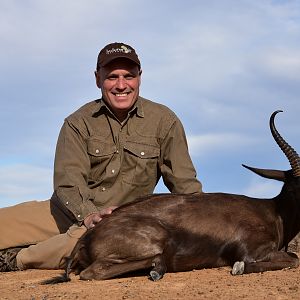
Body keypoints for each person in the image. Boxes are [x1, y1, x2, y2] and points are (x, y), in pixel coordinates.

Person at [0, 42, 202, 272]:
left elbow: (187, 189)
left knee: (85, 244)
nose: (121, 85)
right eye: (112, 77)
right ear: (98, 79)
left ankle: (14, 259)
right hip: (67, 211)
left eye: (129, 76)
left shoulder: (165, 121)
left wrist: (207, 226)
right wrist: (89, 214)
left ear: (140, 77)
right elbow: (68, 183)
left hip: (121, 224)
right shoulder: (78, 122)